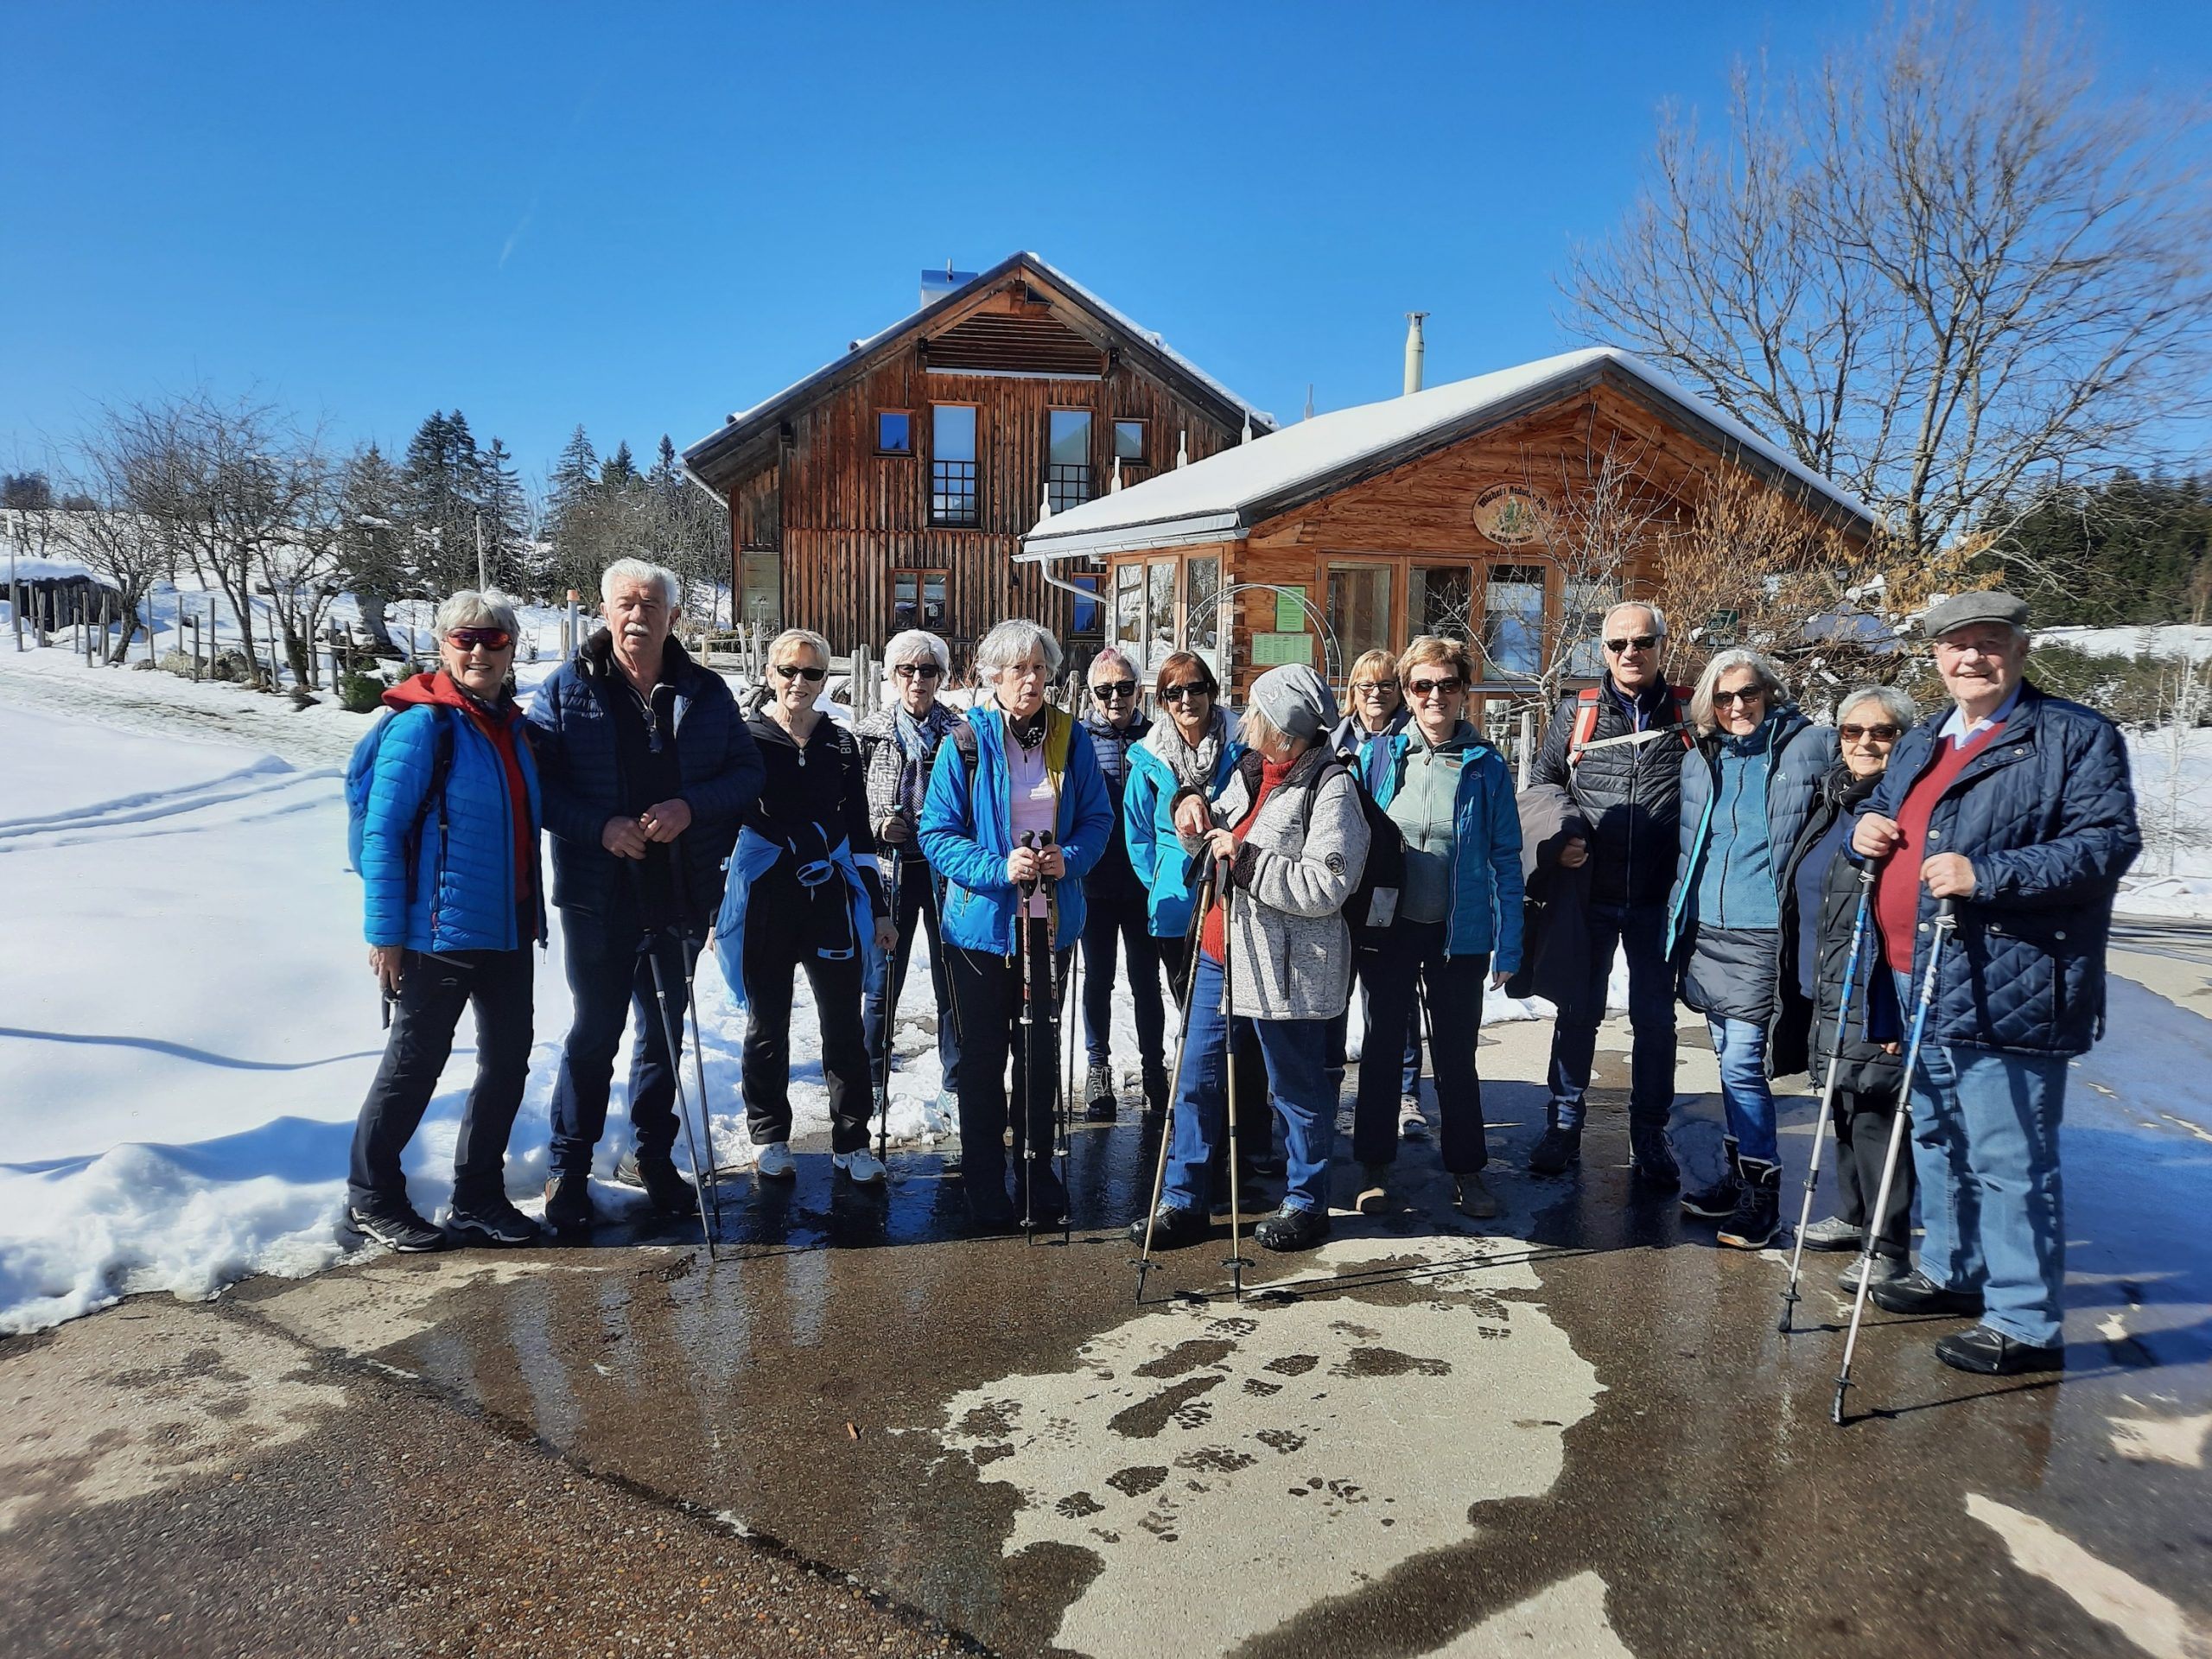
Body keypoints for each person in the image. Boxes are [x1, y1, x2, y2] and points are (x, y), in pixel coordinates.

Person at [1852, 591, 2140, 1375]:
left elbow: (2106, 845)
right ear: (1938, 656)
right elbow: (1883, 808)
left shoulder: (2071, 736)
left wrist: (1991, 874)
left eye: (1989, 642)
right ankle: (1953, 1269)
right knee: (1940, 1131)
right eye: (1957, 644)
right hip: (1918, 973)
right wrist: (1864, 829)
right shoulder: (1923, 740)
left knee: (2010, 1153)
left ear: (2018, 648)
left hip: (2008, 977)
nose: (1972, 657)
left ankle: (2025, 1318)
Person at [530, 559, 764, 1231]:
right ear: (605, 611)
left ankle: (652, 1157)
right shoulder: (566, 690)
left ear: (672, 616)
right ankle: (566, 1169)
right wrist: (599, 827)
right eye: (626, 603)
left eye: (651, 604)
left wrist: (691, 806)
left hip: (682, 888)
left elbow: (747, 772)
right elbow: (539, 788)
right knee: (595, 1030)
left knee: (663, 1032)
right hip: (598, 894)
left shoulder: (704, 690)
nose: (638, 615)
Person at [1125, 664, 1370, 1254]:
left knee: (1296, 1088)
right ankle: (1183, 1200)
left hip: (1287, 969)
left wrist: (1250, 860)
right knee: (1196, 1080)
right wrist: (1194, 821)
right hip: (1218, 953)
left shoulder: (1331, 788)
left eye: (1257, 710)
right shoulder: (1249, 767)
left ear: (1285, 728)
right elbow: (1220, 839)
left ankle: (1308, 1203)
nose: (1246, 719)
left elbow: (1326, 886)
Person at [346, 590, 543, 1252]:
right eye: (465, 640)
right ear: (442, 646)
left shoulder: (508, 725)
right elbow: (382, 834)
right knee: (414, 1064)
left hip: (507, 924)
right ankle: (372, 1197)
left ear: (513, 647)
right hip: (436, 930)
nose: (480, 650)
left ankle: (478, 1197)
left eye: (493, 639)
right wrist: (385, 935)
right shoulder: (423, 724)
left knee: (507, 1062)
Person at [918, 620, 1114, 1230]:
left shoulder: (1070, 737)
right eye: (1017, 669)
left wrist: (1069, 858)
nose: (1030, 680)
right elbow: (936, 834)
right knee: (982, 1060)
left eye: (1039, 668)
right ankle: (983, 1178)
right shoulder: (965, 743)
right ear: (991, 676)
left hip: (1050, 923)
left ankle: (1036, 1171)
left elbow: (1098, 821)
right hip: (981, 930)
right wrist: (999, 866)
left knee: (1038, 1055)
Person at [1665, 647, 1837, 1248]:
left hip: (1764, 932)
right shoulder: (1700, 762)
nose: (1738, 706)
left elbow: (1866, 778)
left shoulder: (1810, 746)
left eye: (1749, 694)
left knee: (1742, 1066)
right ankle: (1742, 1181)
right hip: (1707, 931)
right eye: (1724, 696)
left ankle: (1762, 1193)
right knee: (1727, 1065)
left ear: (1770, 693)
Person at [714, 629, 898, 1182]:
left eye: (812, 673)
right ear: (768, 673)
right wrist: (712, 909)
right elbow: (725, 823)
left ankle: (852, 1139)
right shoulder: (745, 740)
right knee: (766, 1025)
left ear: (825, 680)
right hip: (768, 898)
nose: (799, 682)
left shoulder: (840, 745)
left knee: (842, 1023)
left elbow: (860, 827)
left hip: (828, 898)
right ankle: (769, 1134)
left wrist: (881, 908)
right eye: (788, 670)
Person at [1520, 601, 1693, 1186]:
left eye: (1642, 641)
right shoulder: (1579, 713)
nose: (1630, 653)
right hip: (1589, 895)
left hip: (1655, 897)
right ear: (1602, 650)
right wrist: (1567, 830)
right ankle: (1564, 1125)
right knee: (1578, 1013)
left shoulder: (1691, 715)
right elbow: (1543, 784)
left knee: (1654, 1020)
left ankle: (1649, 1134)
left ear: (1660, 645)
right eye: (1618, 644)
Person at [1351, 638, 1522, 1220]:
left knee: (1455, 1055)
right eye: (1422, 685)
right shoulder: (1381, 756)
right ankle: (1374, 1167)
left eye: (1447, 684)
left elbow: (1507, 857)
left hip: (1460, 933)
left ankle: (1467, 1173)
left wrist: (1511, 940)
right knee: (1378, 1050)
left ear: (1463, 691)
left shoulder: (1486, 764)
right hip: (1391, 927)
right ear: (1406, 692)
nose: (1435, 696)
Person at [1776, 684, 1919, 1290]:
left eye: (1881, 732)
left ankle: (1887, 1246)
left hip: (1870, 982)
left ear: (1903, 740)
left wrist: (1894, 1009)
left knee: (1877, 1112)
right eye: (1852, 732)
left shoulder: (1904, 811)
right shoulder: (1834, 800)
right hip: (1822, 978)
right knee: (1842, 1099)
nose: (1864, 743)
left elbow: (1904, 909)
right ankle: (1855, 1217)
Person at [1124, 651, 1271, 1169]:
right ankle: (1203, 1137)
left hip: (1242, 900)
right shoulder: (1147, 759)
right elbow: (1138, 836)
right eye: (1173, 693)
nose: (1186, 700)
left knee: (1247, 1018)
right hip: (1178, 911)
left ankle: (1251, 1133)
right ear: (1161, 702)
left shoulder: (1244, 745)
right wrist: (1164, 880)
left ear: (1211, 690)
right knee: (1198, 1022)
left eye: (1195, 688)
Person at [855, 628, 966, 1122]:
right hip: (890, 871)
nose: (917, 680)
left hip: (944, 871)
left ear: (941, 677)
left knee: (950, 979)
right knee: (883, 982)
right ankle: (871, 1079)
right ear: (893, 675)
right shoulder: (868, 733)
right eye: (907, 670)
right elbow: (848, 806)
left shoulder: (961, 734)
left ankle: (955, 1082)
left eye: (927, 671)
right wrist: (880, 824)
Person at [1327, 648, 1425, 1137]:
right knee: (1336, 991)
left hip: (1391, 883)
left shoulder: (1413, 741)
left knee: (1393, 997)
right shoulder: (1334, 744)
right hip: (1344, 889)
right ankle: (1329, 1086)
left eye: (1386, 685)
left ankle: (1405, 1092)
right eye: (1365, 686)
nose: (1375, 695)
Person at [1075, 647, 1164, 1122]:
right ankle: (1097, 1068)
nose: (1116, 698)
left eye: (1125, 688)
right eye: (1105, 690)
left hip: (1145, 881)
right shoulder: (1078, 740)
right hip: (1094, 880)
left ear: (1138, 691)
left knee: (1146, 981)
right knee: (1099, 979)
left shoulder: (1154, 737)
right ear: (1091, 693)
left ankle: (1154, 1070)